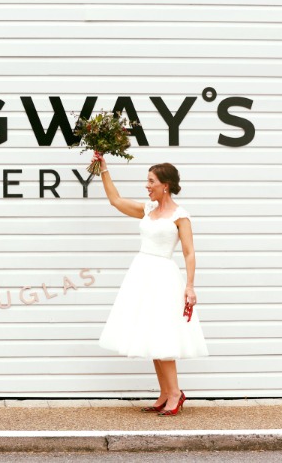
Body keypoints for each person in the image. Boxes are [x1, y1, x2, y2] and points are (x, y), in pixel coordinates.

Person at [93, 153, 208, 416]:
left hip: (163, 276)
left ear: (165, 185)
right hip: (142, 273)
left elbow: (189, 252)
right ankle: (165, 393)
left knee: (163, 335)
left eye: (151, 181)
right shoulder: (147, 210)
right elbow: (116, 200)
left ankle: (176, 394)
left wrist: (190, 286)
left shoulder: (180, 216)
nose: (147, 186)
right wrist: (104, 169)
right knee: (152, 335)